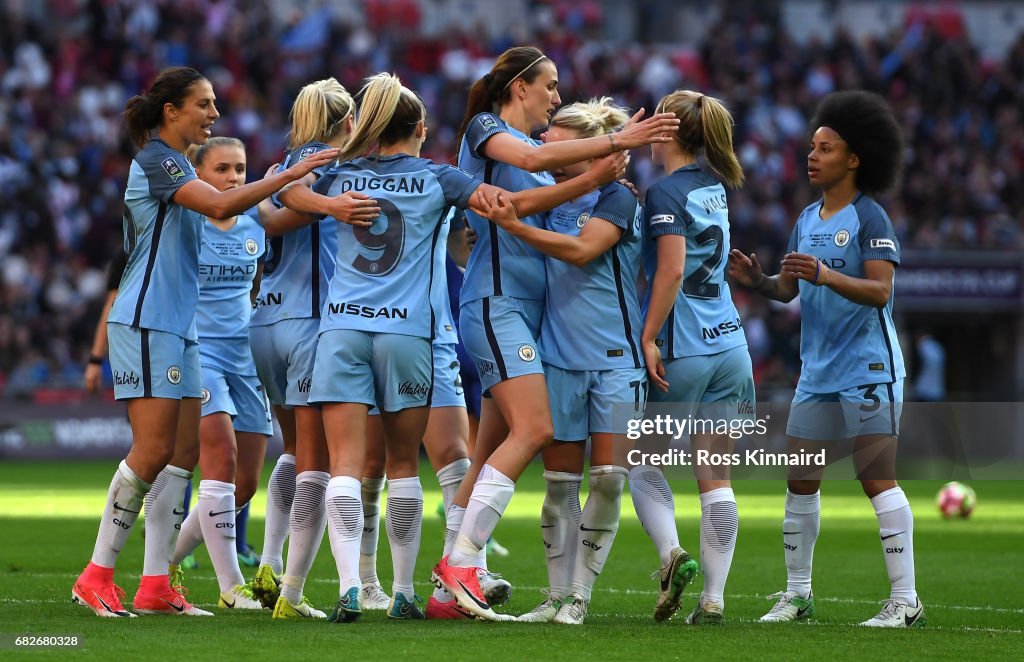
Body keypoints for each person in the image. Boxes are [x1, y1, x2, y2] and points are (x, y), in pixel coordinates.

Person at [269, 71, 625, 623]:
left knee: (346, 466)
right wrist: (591, 180)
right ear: (419, 129)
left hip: (340, 330)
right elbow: (508, 201)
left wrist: (331, 209)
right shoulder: (440, 177)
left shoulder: (339, 173)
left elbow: (283, 190)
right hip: (409, 332)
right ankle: (409, 590)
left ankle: (349, 589)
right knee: (404, 465)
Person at [71, 66, 338, 618]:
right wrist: (289, 178)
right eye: (204, 104)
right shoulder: (158, 159)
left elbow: (240, 214)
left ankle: (154, 583)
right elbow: (220, 204)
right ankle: (95, 574)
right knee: (151, 452)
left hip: (180, 327)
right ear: (172, 111)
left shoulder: (172, 163)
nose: (215, 113)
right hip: (147, 319)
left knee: (184, 456)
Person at [433, 45, 679, 621]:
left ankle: (447, 591)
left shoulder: (542, 160)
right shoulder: (487, 129)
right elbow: (530, 180)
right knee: (537, 428)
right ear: (520, 87)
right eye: (550, 85)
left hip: (533, 315)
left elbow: (528, 200)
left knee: (491, 447)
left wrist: (594, 174)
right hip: (498, 302)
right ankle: (464, 562)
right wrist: (615, 145)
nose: (557, 96)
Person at [728, 90, 924, 627]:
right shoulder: (807, 217)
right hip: (817, 371)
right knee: (800, 477)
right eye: (812, 147)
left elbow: (881, 292)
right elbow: (788, 290)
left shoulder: (870, 217)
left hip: (869, 366)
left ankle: (905, 601)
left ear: (855, 158)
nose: (813, 156)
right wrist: (758, 283)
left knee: (875, 477)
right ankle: (798, 596)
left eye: (826, 148)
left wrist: (827, 274)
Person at [474, 97, 644, 625]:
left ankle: (580, 597)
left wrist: (517, 228)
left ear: (581, 144)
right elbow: (511, 205)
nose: (543, 142)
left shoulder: (617, 198)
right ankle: (554, 596)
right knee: (559, 487)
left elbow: (582, 251)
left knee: (609, 479)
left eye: (554, 138)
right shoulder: (550, 200)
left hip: (616, 358)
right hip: (559, 359)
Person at [247, 78, 378, 620]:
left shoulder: (280, 164)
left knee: (293, 451)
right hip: (309, 323)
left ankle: (270, 562)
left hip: (265, 323)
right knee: (316, 464)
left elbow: (271, 215)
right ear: (347, 121)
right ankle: (291, 591)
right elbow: (289, 209)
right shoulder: (324, 161)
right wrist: (337, 208)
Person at [626, 90, 751, 625]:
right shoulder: (715, 187)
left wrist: (648, 335)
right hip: (731, 344)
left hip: (685, 347)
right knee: (715, 475)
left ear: (670, 131)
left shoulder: (664, 193)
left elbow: (672, 270)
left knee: (641, 462)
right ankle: (714, 599)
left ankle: (672, 555)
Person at [166, 137, 271, 610]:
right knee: (221, 458)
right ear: (198, 174)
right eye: (222, 169)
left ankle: (164, 561)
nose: (233, 178)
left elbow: (257, 287)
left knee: (244, 485)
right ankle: (231, 587)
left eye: (241, 170)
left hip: (247, 357)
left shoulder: (255, 227)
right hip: (199, 353)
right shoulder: (184, 224)